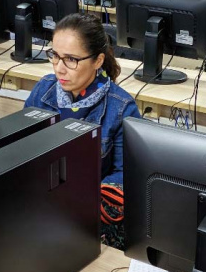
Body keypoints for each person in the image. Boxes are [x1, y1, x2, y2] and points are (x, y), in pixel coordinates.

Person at [24, 13, 141, 186]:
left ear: (98, 61)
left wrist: (84, 197)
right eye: (55, 55)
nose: (59, 69)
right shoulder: (42, 90)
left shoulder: (122, 108)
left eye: (71, 59)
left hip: (90, 203)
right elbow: (21, 149)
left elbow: (125, 175)